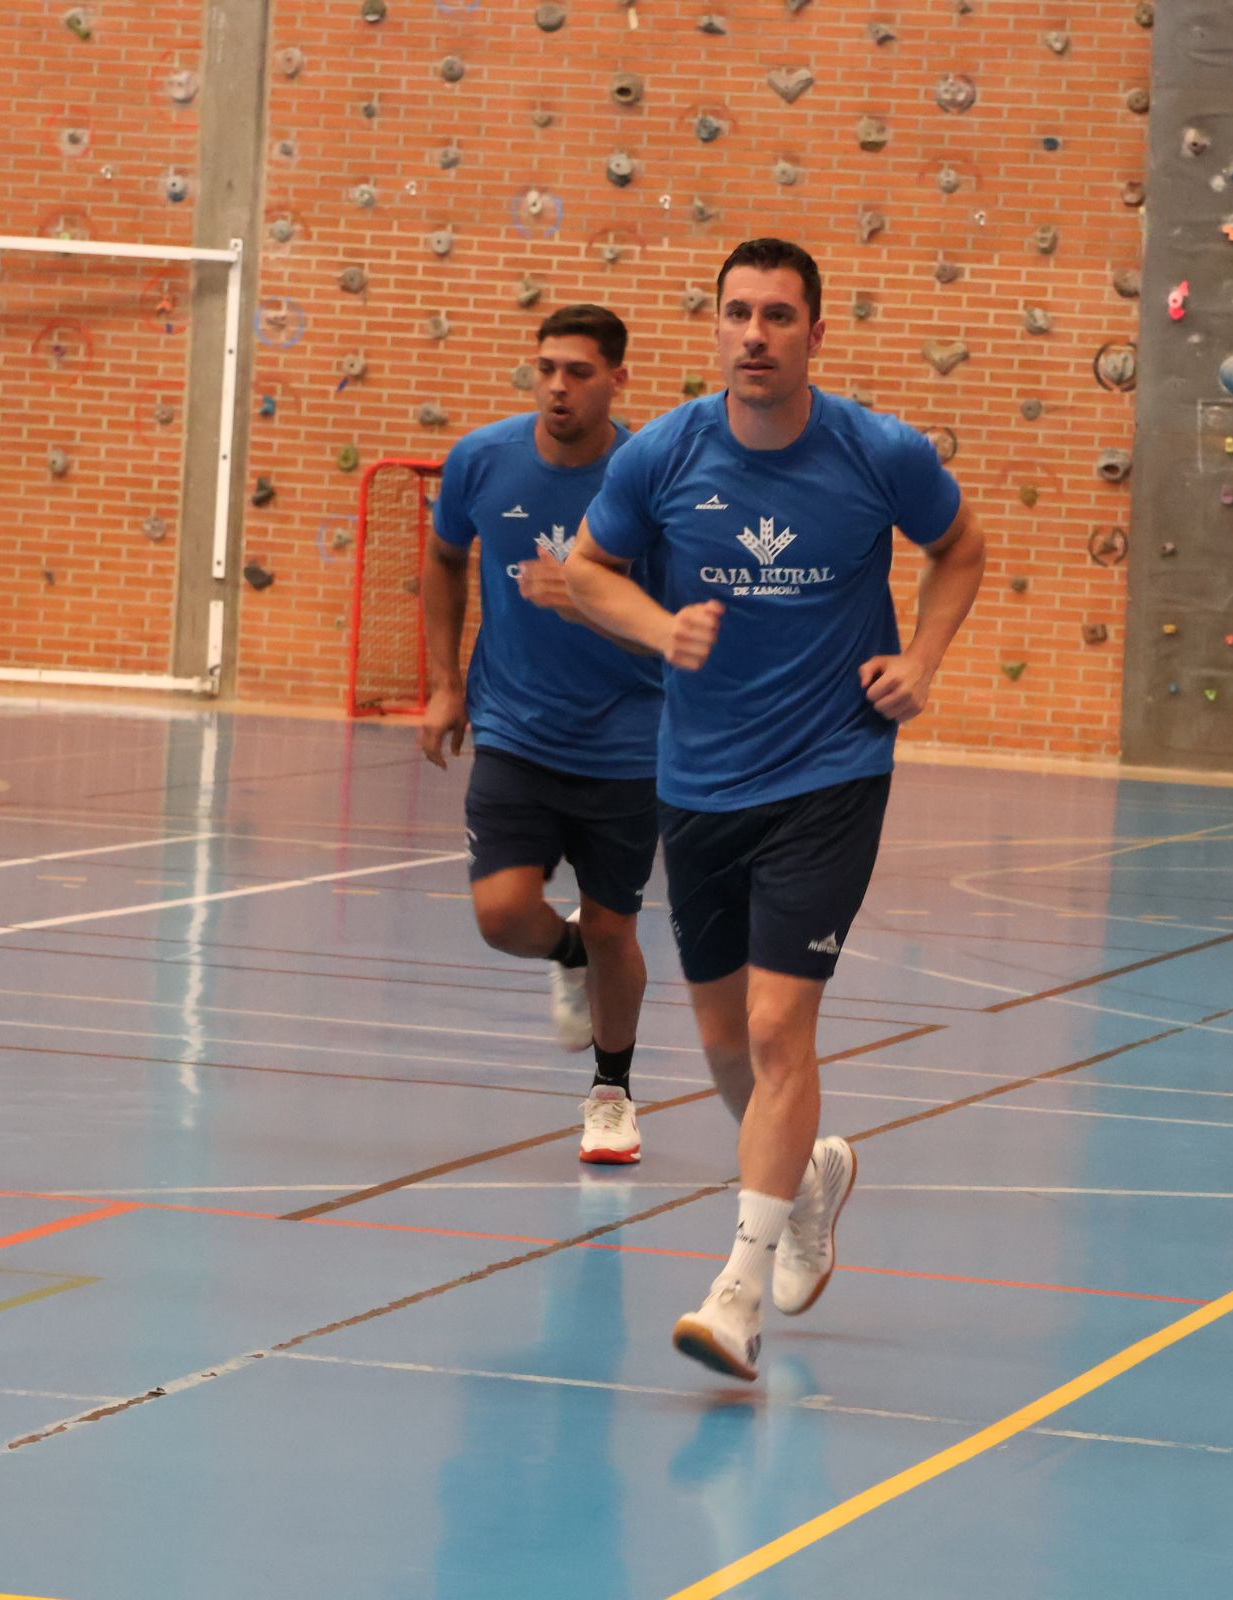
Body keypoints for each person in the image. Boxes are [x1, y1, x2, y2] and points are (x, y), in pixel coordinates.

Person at [564, 238, 987, 1378]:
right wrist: (662, 630)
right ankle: (809, 1181)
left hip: (830, 771)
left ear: (815, 332)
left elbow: (960, 550)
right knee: (719, 1045)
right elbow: (588, 570)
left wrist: (924, 659)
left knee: (771, 1028)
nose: (756, 333)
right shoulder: (664, 453)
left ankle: (737, 1291)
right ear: (713, 325)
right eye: (738, 313)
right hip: (700, 779)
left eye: (779, 315)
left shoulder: (878, 451)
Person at [419, 305, 663, 1164]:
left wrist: (591, 600)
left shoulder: (646, 478)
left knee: (613, 926)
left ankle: (612, 1092)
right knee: (500, 914)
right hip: (516, 729)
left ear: (617, 380)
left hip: (629, 743)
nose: (559, 386)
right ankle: (568, 956)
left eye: (580, 372)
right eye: (547, 368)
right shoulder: (481, 460)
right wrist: (448, 685)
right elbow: (446, 559)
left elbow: (669, 618)